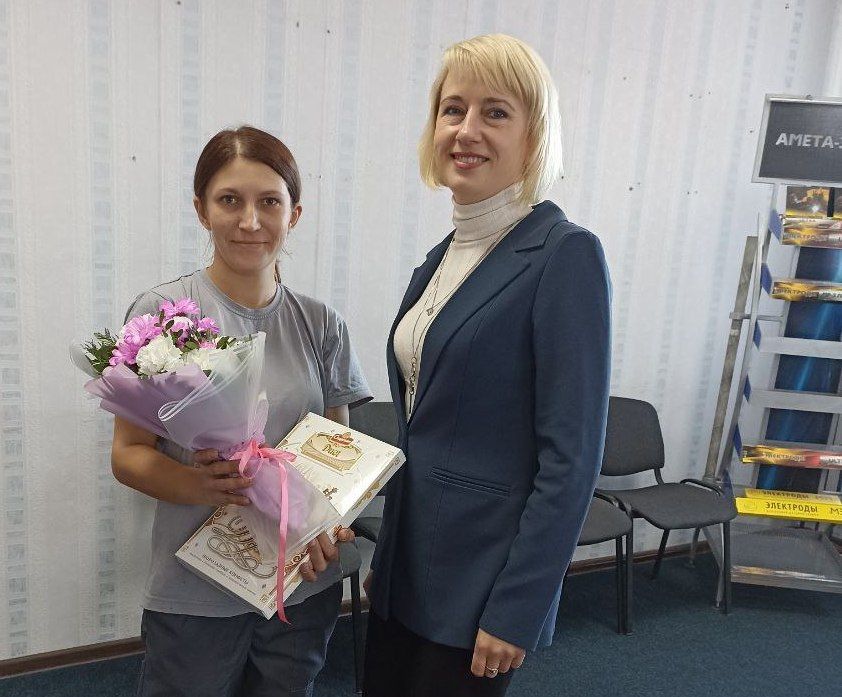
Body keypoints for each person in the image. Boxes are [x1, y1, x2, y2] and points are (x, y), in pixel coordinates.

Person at [363, 34, 611, 697]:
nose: (466, 129)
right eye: (453, 109)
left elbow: (572, 459)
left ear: (534, 135)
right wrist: (387, 556)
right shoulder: (439, 259)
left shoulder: (564, 255)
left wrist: (517, 607)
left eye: (495, 112)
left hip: (481, 582)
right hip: (405, 570)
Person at [111, 125, 372, 697]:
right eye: (230, 200)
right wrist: (201, 484)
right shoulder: (165, 313)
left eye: (269, 202)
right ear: (201, 210)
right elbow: (127, 455)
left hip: (300, 583)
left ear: (294, 215)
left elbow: (340, 461)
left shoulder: (321, 324)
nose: (250, 221)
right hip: (196, 591)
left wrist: (329, 525)